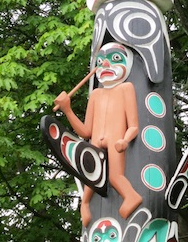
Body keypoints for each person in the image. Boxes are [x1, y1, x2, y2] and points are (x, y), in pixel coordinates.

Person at [54, 43, 142, 226]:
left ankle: (131, 197)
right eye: (100, 62)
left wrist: (125, 140)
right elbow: (85, 131)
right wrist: (67, 110)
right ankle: (84, 204)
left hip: (116, 139)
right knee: (91, 176)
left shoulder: (126, 89)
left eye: (115, 59)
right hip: (96, 140)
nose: (106, 65)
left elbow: (133, 125)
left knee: (114, 176)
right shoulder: (95, 94)